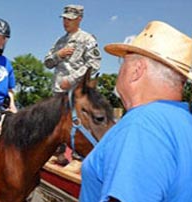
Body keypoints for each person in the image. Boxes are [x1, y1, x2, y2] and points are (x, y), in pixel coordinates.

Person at [80, 21, 192, 202]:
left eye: (122, 62)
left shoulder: (142, 125)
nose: (119, 70)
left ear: (136, 70)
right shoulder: (184, 122)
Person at [44, 4, 101, 165]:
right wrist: (58, 55)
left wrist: (72, 79)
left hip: (76, 93)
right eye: (64, 19)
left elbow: (94, 65)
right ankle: (59, 154)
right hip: (58, 92)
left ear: (79, 19)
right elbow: (47, 62)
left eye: (70, 19)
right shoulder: (60, 41)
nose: (65, 22)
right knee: (57, 127)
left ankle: (81, 157)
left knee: (79, 125)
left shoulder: (87, 39)